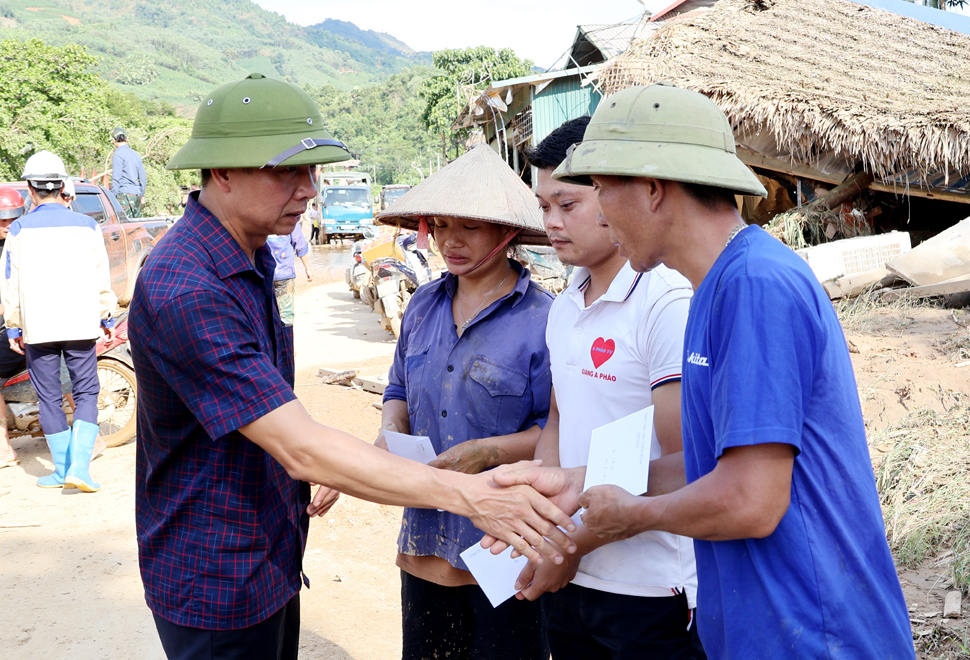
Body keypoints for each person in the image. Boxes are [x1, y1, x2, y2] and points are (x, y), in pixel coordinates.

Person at [133, 73, 576, 660]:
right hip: (218, 566)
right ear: (223, 173)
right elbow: (304, 445)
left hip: (269, 550)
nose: (308, 190)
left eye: (311, 171)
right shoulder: (189, 286)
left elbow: (274, 417)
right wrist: (468, 494)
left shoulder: (252, 259)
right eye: (287, 171)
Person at [494, 83, 917, 659]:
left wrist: (633, 516)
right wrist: (578, 482)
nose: (596, 212)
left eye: (599, 190)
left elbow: (751, 499)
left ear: (651, 189)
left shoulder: (754, 286)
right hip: (757, 624)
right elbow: (713, 461)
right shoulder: (714, 287)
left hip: (812, 631)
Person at [516, 116, 704, 660]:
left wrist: (571, 542)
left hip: (648, 586)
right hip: (571, 575)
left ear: (609, 194)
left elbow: (687, 461)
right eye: (543, 206)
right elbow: (557, 418)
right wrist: (550, 530)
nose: (552, 222)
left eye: (567, 204)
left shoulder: (665, 301)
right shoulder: (565, 301)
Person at [373, 143, 554, 660]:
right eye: (442, 225)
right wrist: (389, 430)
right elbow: (398, 390)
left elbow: (555, 430)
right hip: (423, 545)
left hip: (504, 552)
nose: (450, 241)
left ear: (507, 233)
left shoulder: (544, 320)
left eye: (469, 227)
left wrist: (490, 451)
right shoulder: (422, 306)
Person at [1, 151, 117, 492]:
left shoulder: (19, 229)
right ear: (63, 186)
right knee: (85, 392)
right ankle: (78, 468)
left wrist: (13, 325)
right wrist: (106, 313)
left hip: (39, 327)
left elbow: (10, 282)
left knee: (49, 397)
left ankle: (62, 469)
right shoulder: (88, 226)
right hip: (81, 323)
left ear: (30, 189)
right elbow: (102, 277)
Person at [0, 187, 28, 469]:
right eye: (2, 220)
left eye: (12, 219)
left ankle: (4, 447)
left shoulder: (23, 244)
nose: (8, 225)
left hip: (23, 327)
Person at [266, 221, 312, 325]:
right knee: (285, 315)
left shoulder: (260, 216)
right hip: (284, 275)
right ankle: (286, 340)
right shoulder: (290, 219)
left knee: (264, 315)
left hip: (262, 275)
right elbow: (300, 246)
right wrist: (308, 268)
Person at [110, 127, 147, 216]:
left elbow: (116, 179)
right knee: (137, 225)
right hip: (136, 194)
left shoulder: (118, 155)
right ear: (127, 139)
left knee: (125, 225)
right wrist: (141, 194)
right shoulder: (136, 155)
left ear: (113, 140)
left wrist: (111, 197)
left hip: (123, 196)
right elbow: (143, 179)